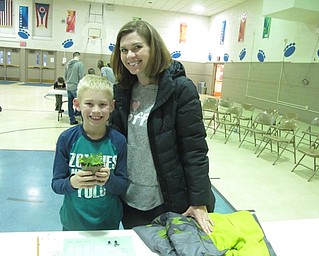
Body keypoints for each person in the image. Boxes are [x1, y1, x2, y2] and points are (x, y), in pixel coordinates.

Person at [109, 20, 215, 234]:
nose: (130, 55)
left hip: (169, 200)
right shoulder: (123, 90)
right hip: (130, 200)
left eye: (137, 47)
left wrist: (199, 201)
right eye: (124, 50)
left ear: (153, 47)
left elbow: (194, 149)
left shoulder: (180, 89)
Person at [51, 75, 128, 231]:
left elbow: (123, 186)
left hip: (108, 223)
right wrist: (72, 182)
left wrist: (109, 180)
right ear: (77, 104)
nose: (96, 110)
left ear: (112, 106)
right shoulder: (66, 139)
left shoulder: (119, 141)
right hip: (73, 223)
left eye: (102, 104)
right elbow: (56, 184)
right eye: (89, 104)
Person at [65, 51, 84, 125]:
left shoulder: (68, 65)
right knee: (81, 104)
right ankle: (84, 121)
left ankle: (72, 120)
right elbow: (81, 77)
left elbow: (65, 76)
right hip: (76, 87)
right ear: (78, 56)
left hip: (68, 86)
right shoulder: (79, 64)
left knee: (70, 104)